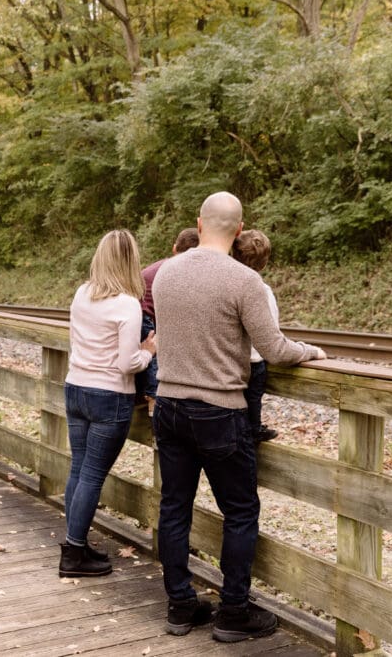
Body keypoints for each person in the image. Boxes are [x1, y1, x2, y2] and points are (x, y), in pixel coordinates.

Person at [150, 192, 325, 640]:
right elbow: (275, 349)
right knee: (241, 511)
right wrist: (312, 351)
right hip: (219, 412)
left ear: (199, 221)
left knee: (174, 506)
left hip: (168, 405)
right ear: (241, 229)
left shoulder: (166, 272)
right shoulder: (243, 280)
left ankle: (181, 605)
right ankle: (233, 613)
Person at [61, 229, 157, 578]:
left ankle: (75, 543)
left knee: (78, 468)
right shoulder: (128, 305)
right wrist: (148, 351)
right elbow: (126, 363)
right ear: (130, 261)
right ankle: (73, 555)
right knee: (91, 474)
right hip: (109, 396)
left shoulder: (82, 293)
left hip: (76, 388)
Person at [136, 228, 199, 416]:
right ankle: (154, 399)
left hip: (134, 311)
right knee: (154, 349)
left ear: (174, 248)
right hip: (145, 314)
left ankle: (152, 395)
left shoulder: (161, 266)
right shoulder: (179, 270)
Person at [231, 229, 279, 443]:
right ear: (265, 262)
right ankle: (254, 428)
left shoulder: (228, 285)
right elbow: (272, 329)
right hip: (254, 359)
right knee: (253, 397)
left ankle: (243, 429)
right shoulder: (262, 290)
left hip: (232, 360)